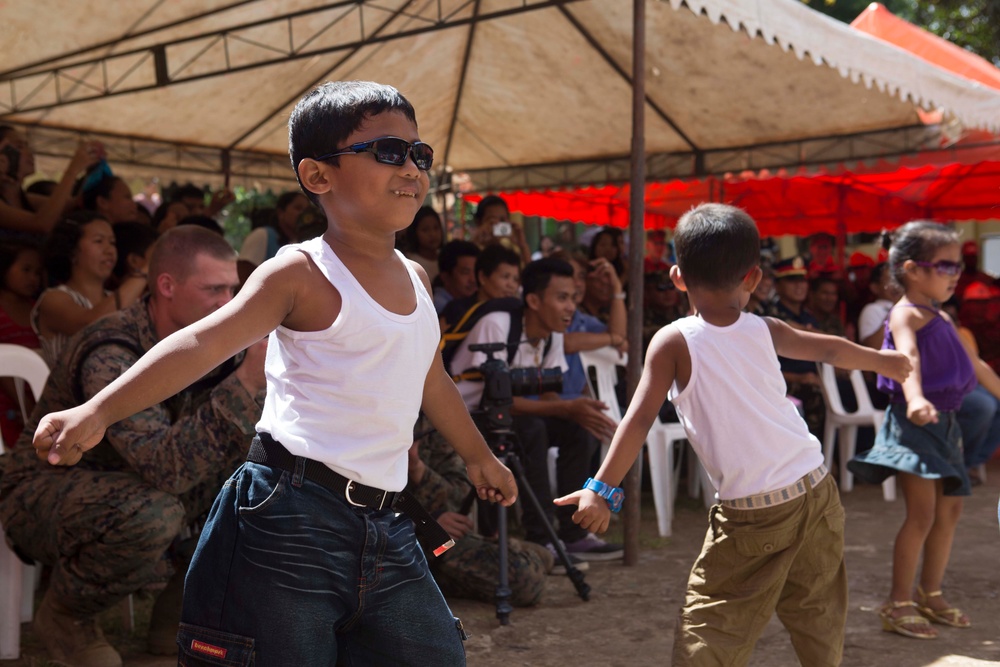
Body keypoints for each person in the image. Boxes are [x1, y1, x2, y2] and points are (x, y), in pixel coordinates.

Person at [30, 81, 515, 666]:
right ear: (318, 177)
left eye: (419, 153)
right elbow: (201, 343)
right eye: (388, 151)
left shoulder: (416, 276)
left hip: (387, 523)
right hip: (292, 519)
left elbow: (429, 374)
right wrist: (98, 411)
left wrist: (478, 455)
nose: (411, 166)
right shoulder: (300, 272)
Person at [554, 203, 910, 666]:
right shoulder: (766, 328)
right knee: (817, 613)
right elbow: (827, 349)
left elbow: (637, 419)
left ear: (678, 277)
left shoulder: (674, 340)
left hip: (754, 513)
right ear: (754, 278)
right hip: (816, 488)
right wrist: (883, 361)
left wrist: (600, 489)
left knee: (711, 629)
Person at [0, 226, 259, 666]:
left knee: (257, 485)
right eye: (213, 288)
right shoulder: (112, 349)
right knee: (154, 513)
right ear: (166, 286)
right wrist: (250, 382)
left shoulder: (215, 341)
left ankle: (178, 615)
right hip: (47, 490)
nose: (227, 302)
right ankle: (66, 617)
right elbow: (166, 467)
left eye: (232, 288)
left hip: (136, 486)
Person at [848, 221, 980, 640]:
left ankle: (931, 592)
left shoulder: (940, 315)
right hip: (914, 423)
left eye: (958, 267)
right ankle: (898, 600)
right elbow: (907, 360)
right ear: (912, 269)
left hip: (947, 425)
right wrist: (916, 398)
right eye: (946, 266)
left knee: (950, 511)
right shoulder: (904, 313)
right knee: (921, 515)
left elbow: (977, 366)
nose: (956, 274)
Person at [450, 258, 622, 563]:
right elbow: (495, 399)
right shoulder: (498, 324)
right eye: (561, 298)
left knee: (577, 431)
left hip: (512, 414)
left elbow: (545, 390)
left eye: (572, 298)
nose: (570, 307)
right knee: (533, 430)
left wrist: (572, 412)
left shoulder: (553, 333)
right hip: (468, 418)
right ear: (532, 300)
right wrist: (565, 407)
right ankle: (542, 538)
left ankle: (574, 533)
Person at [408, 420, 553, 606]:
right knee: (528, 580)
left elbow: (459, 495)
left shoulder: (427, 420)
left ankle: (494, 550)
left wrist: (416, 467)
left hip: (440, 537)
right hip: (401, 542)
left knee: (544, 557)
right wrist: (423, 521)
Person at [32, 211, 148, 366]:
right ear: (71, 250)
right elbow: (92, 325)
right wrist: (145, 271)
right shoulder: (53, 299)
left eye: (112, 242)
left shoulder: (116, 297)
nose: (109, 250)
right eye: (99, 241)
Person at [0, 126, 104, 240]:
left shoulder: (27, 199)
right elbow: (42, 223)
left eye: (27, 146)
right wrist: (73, 170)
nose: (29, 152)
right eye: (19, 147)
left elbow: (73, 205)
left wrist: (90, 170)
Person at [767, 256, 825, 438]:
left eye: (802, 280)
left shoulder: (808, 317)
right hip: (783, 383)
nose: (799, 286)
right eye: (792, 281)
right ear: (777, 286)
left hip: (813, 379)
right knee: (815, 396)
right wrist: (801, 378)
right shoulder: (771, 315)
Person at [0, 240, 43, 444]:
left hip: (37, 397)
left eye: (37, 272)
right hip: (7, 400)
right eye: (26, 270)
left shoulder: (37, 308)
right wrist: (24, 404)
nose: (33, 278)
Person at [439, 243, 521, 328]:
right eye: (505, 277)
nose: (511, 285)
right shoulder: (456, 311)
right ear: (482, 277)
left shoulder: (516, 311)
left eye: (515, 279)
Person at [236, 191, 310, 283]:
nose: (303, 214)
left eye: (306, 210)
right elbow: (242, 277)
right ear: (280, 212)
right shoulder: (262, 235)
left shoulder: (300, 244)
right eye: (298, 208)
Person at [471, 194, 532, 260]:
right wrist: (475, 241)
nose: (498, 224)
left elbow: (530, 269)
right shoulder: (474, 247)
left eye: (502, 220)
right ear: (479, 222)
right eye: (492, 220)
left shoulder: (510, 248)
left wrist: (522, 245)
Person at [434, 239, 480, 314]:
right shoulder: (440, 306)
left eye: (476, 271)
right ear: (445, 277)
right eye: (465, 272)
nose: (473, 279)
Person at [403, 205, 444, 282]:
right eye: (425, 230)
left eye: (436, 228)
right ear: (414, 233)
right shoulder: (410, 263)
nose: (432, 234)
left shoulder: (446, 257)